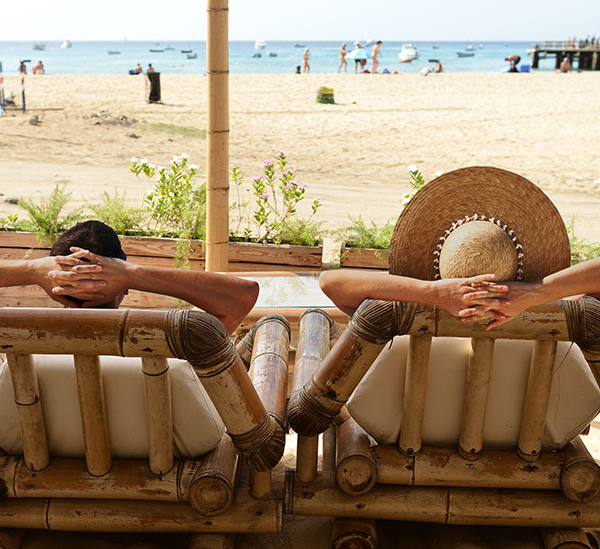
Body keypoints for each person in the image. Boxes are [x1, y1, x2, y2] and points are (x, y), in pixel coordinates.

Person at [319, 166, 575, 331]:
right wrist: (533, 292)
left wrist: (433, 292)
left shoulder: (413, 310)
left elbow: (330, 282)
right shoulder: (552, 310)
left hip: (412, 414)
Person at [0, 220, 259, 334]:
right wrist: (133, 274)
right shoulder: (168, 347)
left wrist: (30, 270)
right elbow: (243, 296)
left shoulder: (22, 352)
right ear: (124, 288)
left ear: (54, 289)